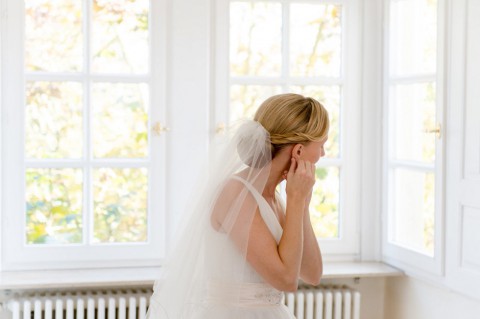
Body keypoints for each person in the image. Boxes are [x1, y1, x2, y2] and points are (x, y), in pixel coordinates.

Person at [147, 93, 329, 319]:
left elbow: (312, 274)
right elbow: (286, 280)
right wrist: (296, 200)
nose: (322, 154)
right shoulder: (235, 193)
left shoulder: (279, 199)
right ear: (299, 150)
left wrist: (301, 203)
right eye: (321, 145)